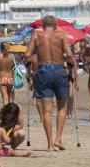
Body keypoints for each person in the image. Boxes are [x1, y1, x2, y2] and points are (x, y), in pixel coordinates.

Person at [30, 15, 75, 151]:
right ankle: (58, 139)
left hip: (43, 71)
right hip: (59, 69)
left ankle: (49, 144)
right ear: (55, 25)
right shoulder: (61, 34)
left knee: (47, 111)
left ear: (43, 25)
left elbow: (27, 54)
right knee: (62, 107)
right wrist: (71, 66)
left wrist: (34, 61)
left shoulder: (36, 34)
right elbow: (69, 54)